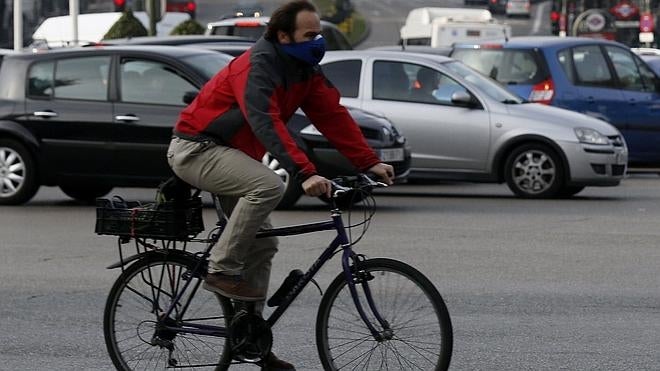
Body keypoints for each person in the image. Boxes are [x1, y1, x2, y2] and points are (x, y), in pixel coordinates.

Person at [166, 1, 393, 369]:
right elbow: (265, 122)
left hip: (231, 156)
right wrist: (304, 173)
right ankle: (221, 269)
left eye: (319, 34)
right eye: (310, 35)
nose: (318, 41)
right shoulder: (258, 67)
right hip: (197, 149)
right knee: (269, 186)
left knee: (264, 244)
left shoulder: (303, 69)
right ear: (283, 36)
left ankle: (250, 341)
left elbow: (332, 116)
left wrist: (369, 161)